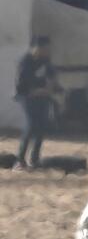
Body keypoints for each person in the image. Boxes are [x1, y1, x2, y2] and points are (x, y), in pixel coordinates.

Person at [14, 36, 60, 169]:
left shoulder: (45, 60)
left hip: (43, 96)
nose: (47, 52)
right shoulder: (25, 62)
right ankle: (20, 160)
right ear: (36, 48)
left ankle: (34, 159)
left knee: (42, 126)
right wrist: (36, 91)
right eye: (44, 49)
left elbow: (52, 76)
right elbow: (21, 85)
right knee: (31, 125)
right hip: (27, 97)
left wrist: (52, 87)